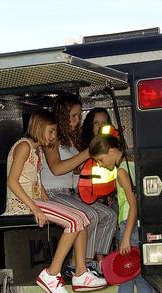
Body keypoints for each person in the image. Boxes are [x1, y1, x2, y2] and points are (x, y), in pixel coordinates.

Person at [3, 109, 107, 293]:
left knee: (81, 218)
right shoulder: (24, 147)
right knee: (75, 221)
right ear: (38, 128)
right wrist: (35, 208)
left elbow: (37, 181)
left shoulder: (37, 150)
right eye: (50, 132)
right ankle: (51, 274)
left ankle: (81, 273)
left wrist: (51, 205)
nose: (53, 137)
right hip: (22, 204)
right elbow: (12, 181)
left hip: (35, 201)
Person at [89, 128, 158, 293]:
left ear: (111, 151)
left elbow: (132, 204)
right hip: (139, 226)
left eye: (100, 160)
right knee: (140, 278)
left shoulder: (121, 171)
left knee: (125, 276)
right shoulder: (134, 163)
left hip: (129, 226)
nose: (100, 165)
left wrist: (126, 236)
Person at [42, 95, 117, 273]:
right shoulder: (51, 138)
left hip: (70, 192)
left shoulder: (69, 139)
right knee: (89, 214)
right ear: (62, 115)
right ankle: (77, 264)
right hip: (53, 192)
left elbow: (74, 168)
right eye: (73, 115)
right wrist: (86, 154)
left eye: (78, 115)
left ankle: (93, 260)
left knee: (108, 215)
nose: (77, 120)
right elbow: (57, 169)